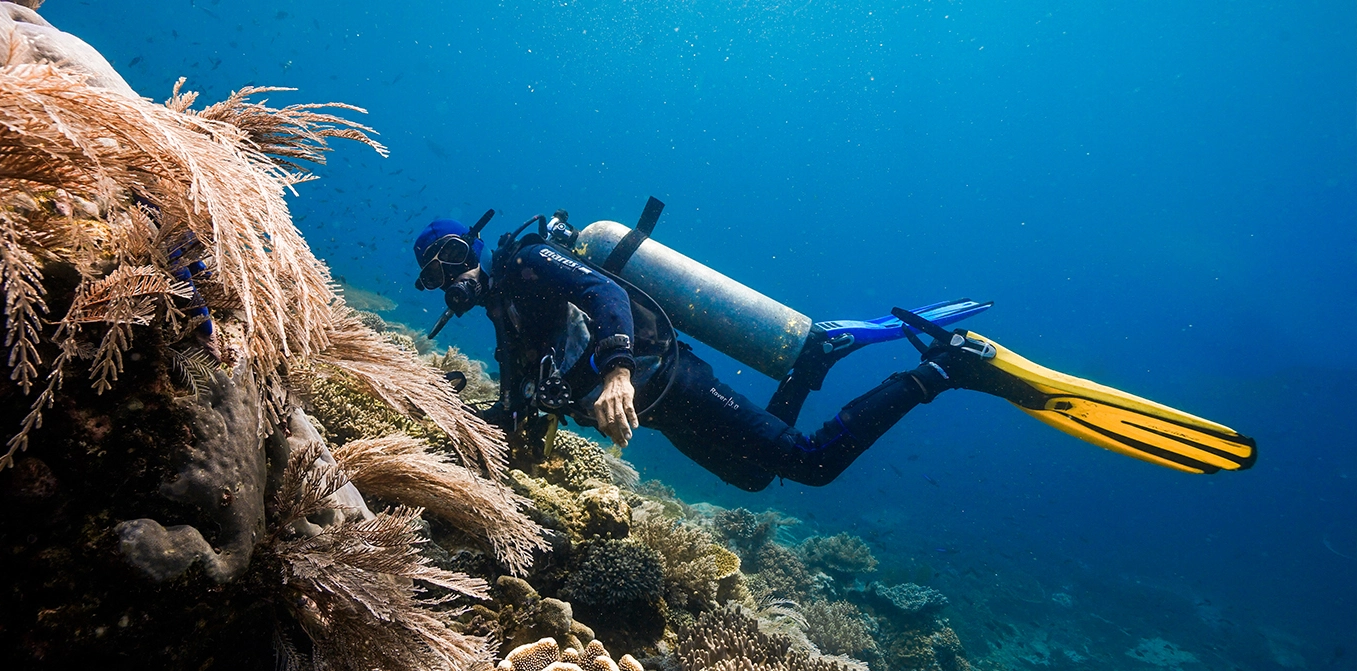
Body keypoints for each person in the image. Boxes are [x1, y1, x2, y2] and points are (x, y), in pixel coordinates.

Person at [411, 211, 1255, 491]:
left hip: (665, 377)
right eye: (433, 274)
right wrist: (469, 426)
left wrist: (623, 370)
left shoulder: (525, 260)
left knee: (809, 465)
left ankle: (946, 367)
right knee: (753, 476)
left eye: (454, 257)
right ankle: (816, 358)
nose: (450, 278)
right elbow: (520, 398)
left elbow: (601, 295)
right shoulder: (505, 324)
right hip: (659, 415)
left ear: (476, 249)